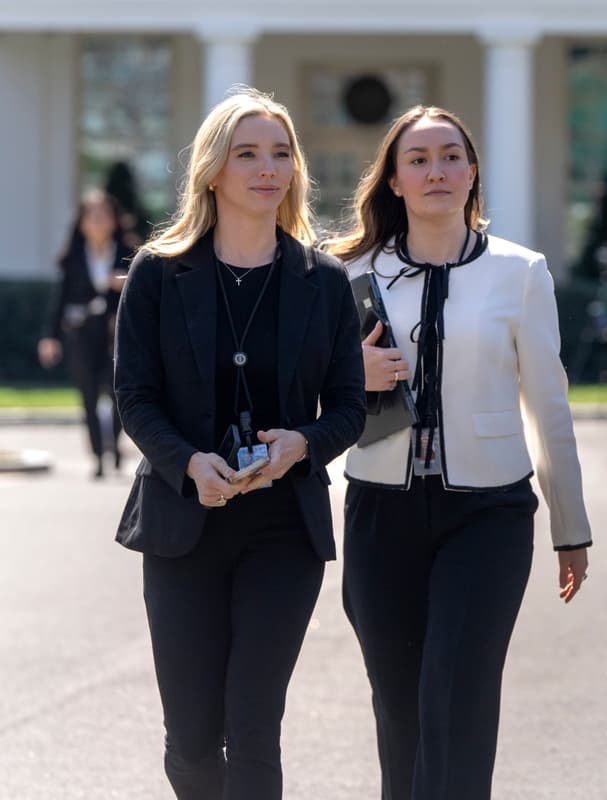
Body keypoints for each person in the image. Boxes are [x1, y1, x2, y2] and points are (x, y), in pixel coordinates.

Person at [325, 105, 592, 800]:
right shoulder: (350, 272)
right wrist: (349, 374)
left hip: (488, 512)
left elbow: (549, 405)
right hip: (380, 508)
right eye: (418, 160)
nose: (436, 171)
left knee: (458, 693)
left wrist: (570, 528)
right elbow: (309, 394)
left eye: (450, 157)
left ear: (472, 173)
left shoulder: (520, 271)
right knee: (399, 706)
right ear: (393, 179)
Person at [112, 87, 366, 799]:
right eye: (247, 153)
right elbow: (135, 397)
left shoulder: (323, 281)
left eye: (281, 153)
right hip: (182, 525)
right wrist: (189, 462)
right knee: (193, 741)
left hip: (283, 531)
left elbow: (349, 407)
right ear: (213, 170)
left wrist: (301, 445)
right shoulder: (159, 273)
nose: (268, 168)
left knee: (253, 728)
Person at [38, 189, 134, 477]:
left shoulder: (130, 253)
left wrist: (125, 282)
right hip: (82, 336)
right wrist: (50, 337)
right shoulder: (73, 257)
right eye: (92, 216)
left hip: (118, 336)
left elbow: (146, 292)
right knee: (88, 396)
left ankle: (114, 445)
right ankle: (98, 456)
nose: (98, 221)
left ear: (115, 220)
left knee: (119, 394)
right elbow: (61, 299)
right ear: (81, 223)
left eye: (104, 215)